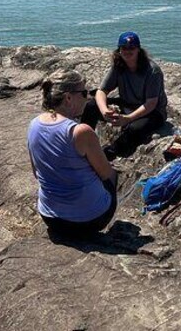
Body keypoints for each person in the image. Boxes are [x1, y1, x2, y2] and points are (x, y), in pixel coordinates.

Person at [27, 70, 117, 238]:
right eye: (84, 93)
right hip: (89, 221)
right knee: (113, 174)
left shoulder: (34, 124)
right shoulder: (80, 132)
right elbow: (106, 174)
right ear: (68, 98)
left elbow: (36, 173)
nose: (88, 98)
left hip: (50, 217)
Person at [81, 31, 168, 158]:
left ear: (138, 49)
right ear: (119, 50)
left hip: (152, 112)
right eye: (124, 48)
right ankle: (83, 142)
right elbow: (102, 91)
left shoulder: (152, 71)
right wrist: (105, 111)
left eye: (131, 48)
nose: (128, 51)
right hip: (127, 103)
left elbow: (151, 103)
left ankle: (109, 153)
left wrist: (128, 119)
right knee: (91, 106)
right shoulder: (119, 66)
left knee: (134, 129)